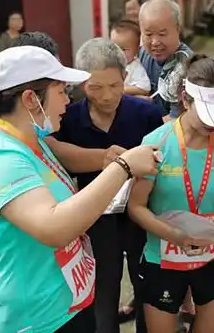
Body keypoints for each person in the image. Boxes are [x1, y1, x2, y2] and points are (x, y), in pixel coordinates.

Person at [0, 45, 159, 333]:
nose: (68, 102)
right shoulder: (0, 159)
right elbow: (54, 227)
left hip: (67, 305)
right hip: (38, 320)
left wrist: (108, 157)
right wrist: (124, 167)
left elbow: (64, 155)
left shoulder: (32, 141)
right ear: (31, 99)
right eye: (61, 92)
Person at [129, 55, 214, 333]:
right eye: (209, 114)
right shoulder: (156, 143)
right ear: (186, 99)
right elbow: (136, 207)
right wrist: (176, 236)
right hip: (162, 257)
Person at [54, 38, 163, 333]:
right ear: (81, 84)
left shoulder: (146, 115)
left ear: (125, 77)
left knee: (147, 283)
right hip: (94, 218)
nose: (106, 96)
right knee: (103, 288)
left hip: (141, 213)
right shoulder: (68, 120)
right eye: (95, 87)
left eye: (114, 85)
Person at [138, 0, 193, 119]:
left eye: (162, 34)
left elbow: (176, 118)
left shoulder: (187, 63)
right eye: (148, 34)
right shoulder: (140, 55)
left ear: (178, 28)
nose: (155, 42)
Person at [110, 17, 151, 96]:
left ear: (136, 50)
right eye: (113, 47)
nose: (118, 52)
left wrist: (121, 89)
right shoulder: (109, 63)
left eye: (124, 49)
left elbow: (144, 89)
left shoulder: (135, 67)